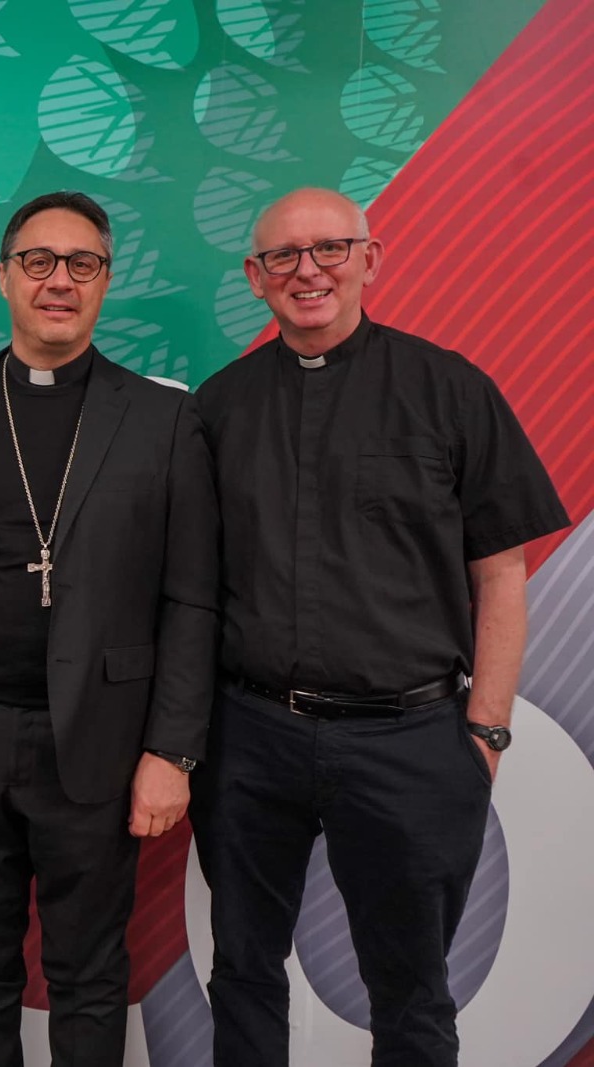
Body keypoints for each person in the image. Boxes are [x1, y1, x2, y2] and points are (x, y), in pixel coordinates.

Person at [190, 187, 569, 1066]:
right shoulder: (218, 408)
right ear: (255, 277)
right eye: (283, 256)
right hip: (251, 738)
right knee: (244, 968)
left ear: (371, 258)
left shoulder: (450, 389)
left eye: (329, 248)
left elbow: (500, 575)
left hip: (413, 741)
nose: (307, 270)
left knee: (412, 991)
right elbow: (194, 584)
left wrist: (486, 729)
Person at [0, 191, 219, 1066]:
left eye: (82, 264)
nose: (59, 281)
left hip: (102, 743)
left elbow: (193, 597)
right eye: (37, 261)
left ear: (106, 283)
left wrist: (173, 750)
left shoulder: (162, 418)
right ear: (2, 276)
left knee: (86, 971)